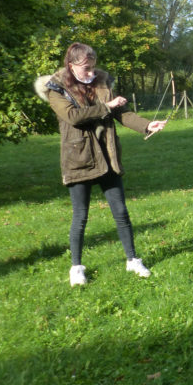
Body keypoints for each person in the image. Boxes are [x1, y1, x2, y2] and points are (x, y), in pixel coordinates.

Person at [35, 42, 166, 286]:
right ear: (71, 65)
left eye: (93, 67)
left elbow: (121, 113)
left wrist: (147, 125)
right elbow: (73, 116)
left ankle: (133, 260)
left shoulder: (102, 83)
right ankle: (76, 268)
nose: (91, 72)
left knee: (121, 212)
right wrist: (106, 107)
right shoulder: (56, 88)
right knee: (80, 216)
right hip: (79, 159)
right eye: (86, 68)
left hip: (108, 157)